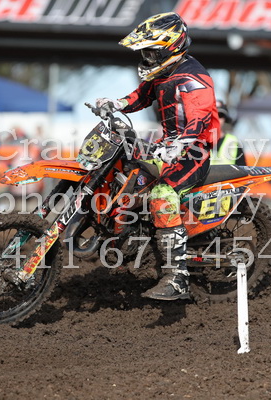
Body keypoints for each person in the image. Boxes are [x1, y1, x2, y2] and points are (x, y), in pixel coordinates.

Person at [94, 12, 220, 300]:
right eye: (145, 53)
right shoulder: (164, 72)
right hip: (168, 147)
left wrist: (181, 144)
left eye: (151, 53)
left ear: (170, 47)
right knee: (125, 172)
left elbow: (199, 118)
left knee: (162, 194)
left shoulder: (194, 78)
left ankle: (177, 277)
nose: (147, 58)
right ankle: (129, 239)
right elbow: (142, 95)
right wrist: (116, 104)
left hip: (193, 152)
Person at [211, 100, 246, 166]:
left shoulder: (234, 143)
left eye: (220, 115)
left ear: (225, 119)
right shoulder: (198, 142)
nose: (216, 119)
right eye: (213, 115)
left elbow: (242, 169)